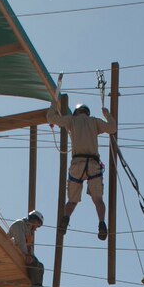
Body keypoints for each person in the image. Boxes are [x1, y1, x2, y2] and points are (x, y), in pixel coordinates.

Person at [50, 103, 116, 240]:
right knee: (98, 199)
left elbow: (51, 118)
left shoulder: (71, 120)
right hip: (93, 165)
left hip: (77, 164)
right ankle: (102, 222)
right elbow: (112, 128)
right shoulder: (94, 121)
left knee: (72, 200)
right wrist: (107, 114)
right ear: (87, 112)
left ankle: (66, 217)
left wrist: (53, 106)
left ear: (76, 112)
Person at [8, 210, 47, 287]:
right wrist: (28, 256)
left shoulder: (28, 233)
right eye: (37, 226)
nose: (36, 229)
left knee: (40, 266)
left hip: (20, 254)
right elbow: (20, 243)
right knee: (33, 264)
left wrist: (33, 258)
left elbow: (30, 249)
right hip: (12, 252)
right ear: (34, 221)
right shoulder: (19, 224)